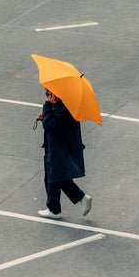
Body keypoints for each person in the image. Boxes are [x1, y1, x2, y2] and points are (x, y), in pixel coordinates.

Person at [36, 89, 92, 219]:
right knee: (56, 176)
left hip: (58, 148)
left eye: (48, 90)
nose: (45, 93)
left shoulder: (63, 107)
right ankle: (57, 207)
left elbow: (51, 125)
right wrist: (46, 113)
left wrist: (47, 108)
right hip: (59, 147)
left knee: (54, 176)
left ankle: (55, 209)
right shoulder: (64, 104)